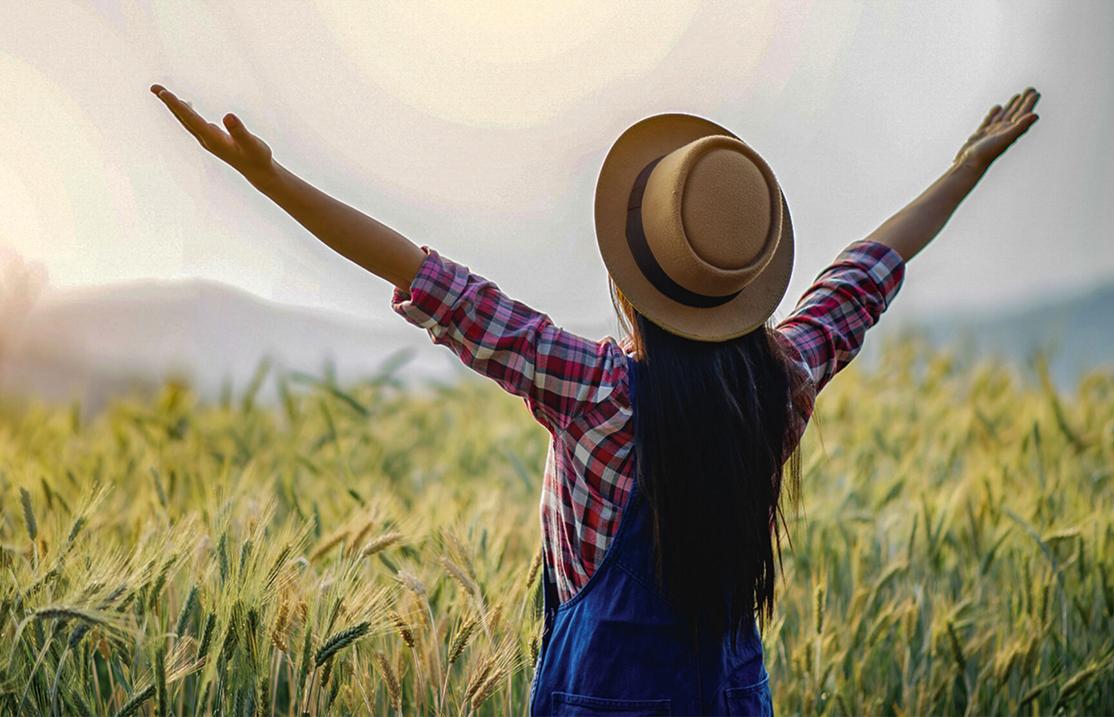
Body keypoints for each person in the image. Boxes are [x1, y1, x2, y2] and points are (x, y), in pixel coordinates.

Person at [150, 83, 1040, 716]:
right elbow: (865, 274)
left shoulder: (593, 389)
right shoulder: (784, 378)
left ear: (630, 281)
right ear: (748, 285)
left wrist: (271, 182)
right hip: (734, 695)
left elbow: (428, 276)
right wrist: (965, 168)